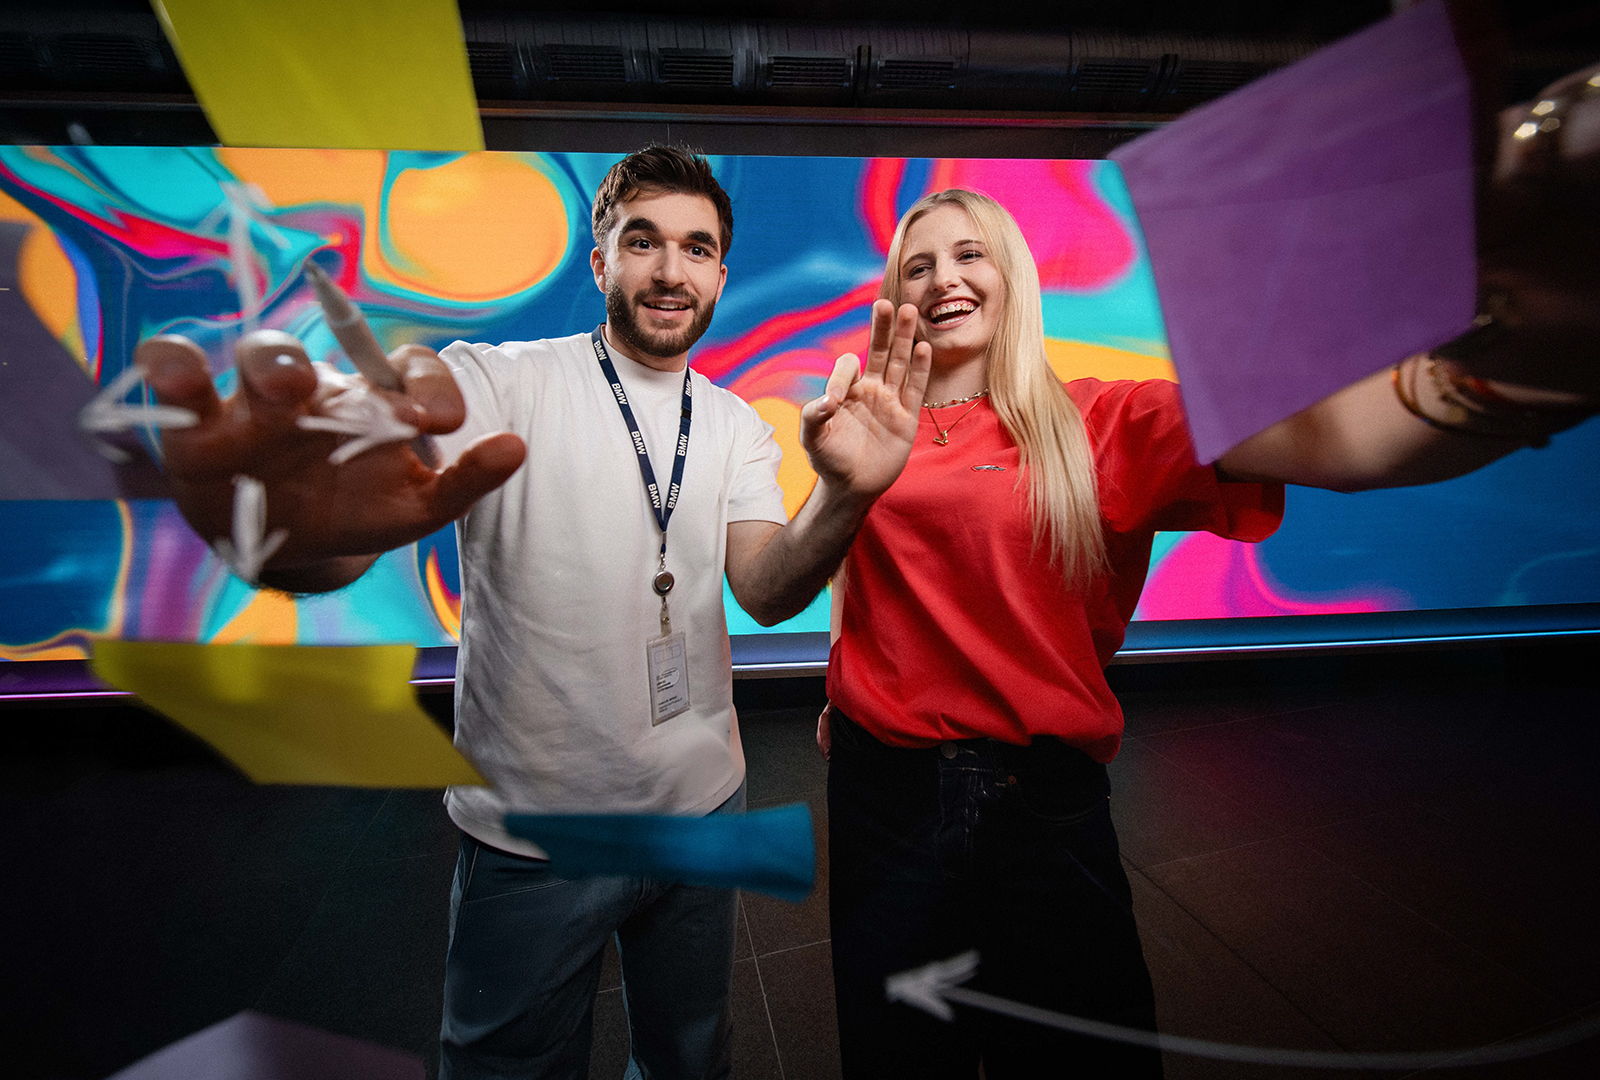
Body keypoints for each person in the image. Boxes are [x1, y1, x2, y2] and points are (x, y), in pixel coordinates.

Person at [134, 145, 931, 1080]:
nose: (671, 270)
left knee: (690, 1059)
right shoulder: (496, 382)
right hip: (536, 833)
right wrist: (294, 542)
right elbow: (358, 524)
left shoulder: (734, 426)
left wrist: (844, 495)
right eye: (643, 241)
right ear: (601, 261)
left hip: (702, 808)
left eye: (697, 248)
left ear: (721, 273)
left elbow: (765, 587)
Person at [818, 171, 1598, 1074]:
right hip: (882, 800)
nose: (944, 278)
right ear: (895, 295)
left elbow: (1351, 442)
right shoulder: (867, 425)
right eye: (917, 265)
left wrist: (1537, 360)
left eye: (969, 253)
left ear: (1013, 276)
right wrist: (844, 678)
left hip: (1038, 805)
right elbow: (854, 565)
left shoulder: (1104, 420)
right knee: (897, 1058)